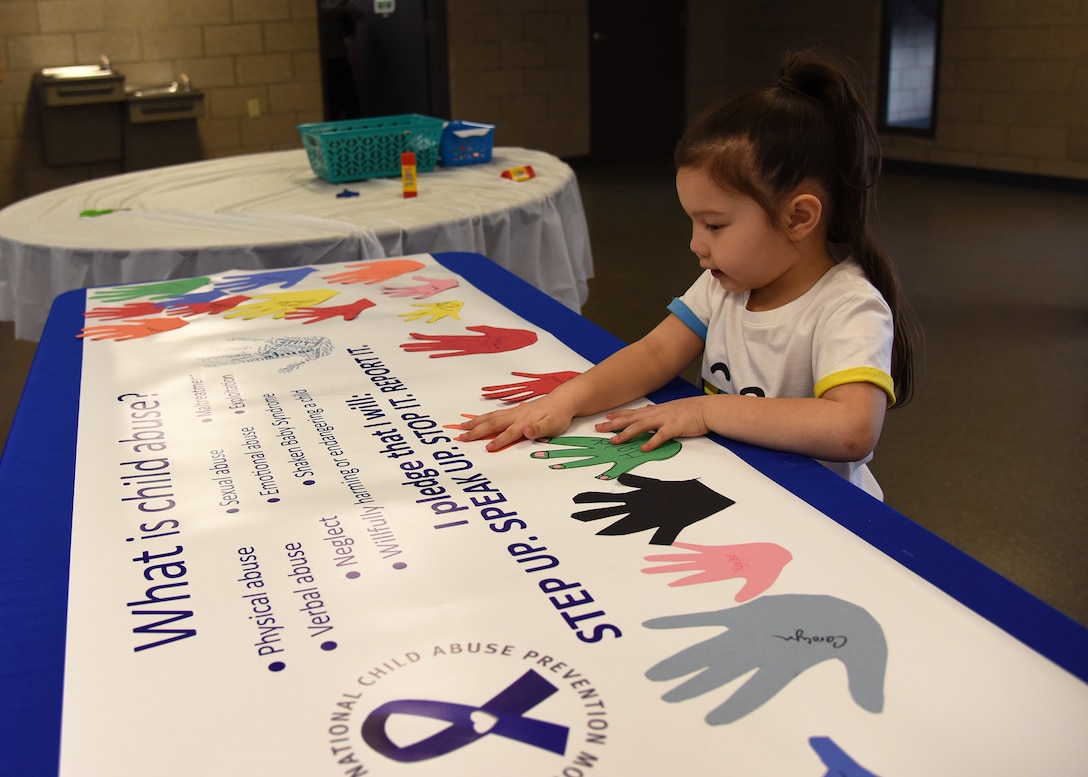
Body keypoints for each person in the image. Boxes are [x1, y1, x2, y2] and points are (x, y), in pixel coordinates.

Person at [458, 48, 917, 499]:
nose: (697, 245)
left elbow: (853, 429)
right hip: (737, 488)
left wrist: (707, 411)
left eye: (715, 225)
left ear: (798, 217)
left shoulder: (848, 305)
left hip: (825, 517)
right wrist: (565, 402)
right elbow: (656, 353)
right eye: (694, 223)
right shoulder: (728, 284)